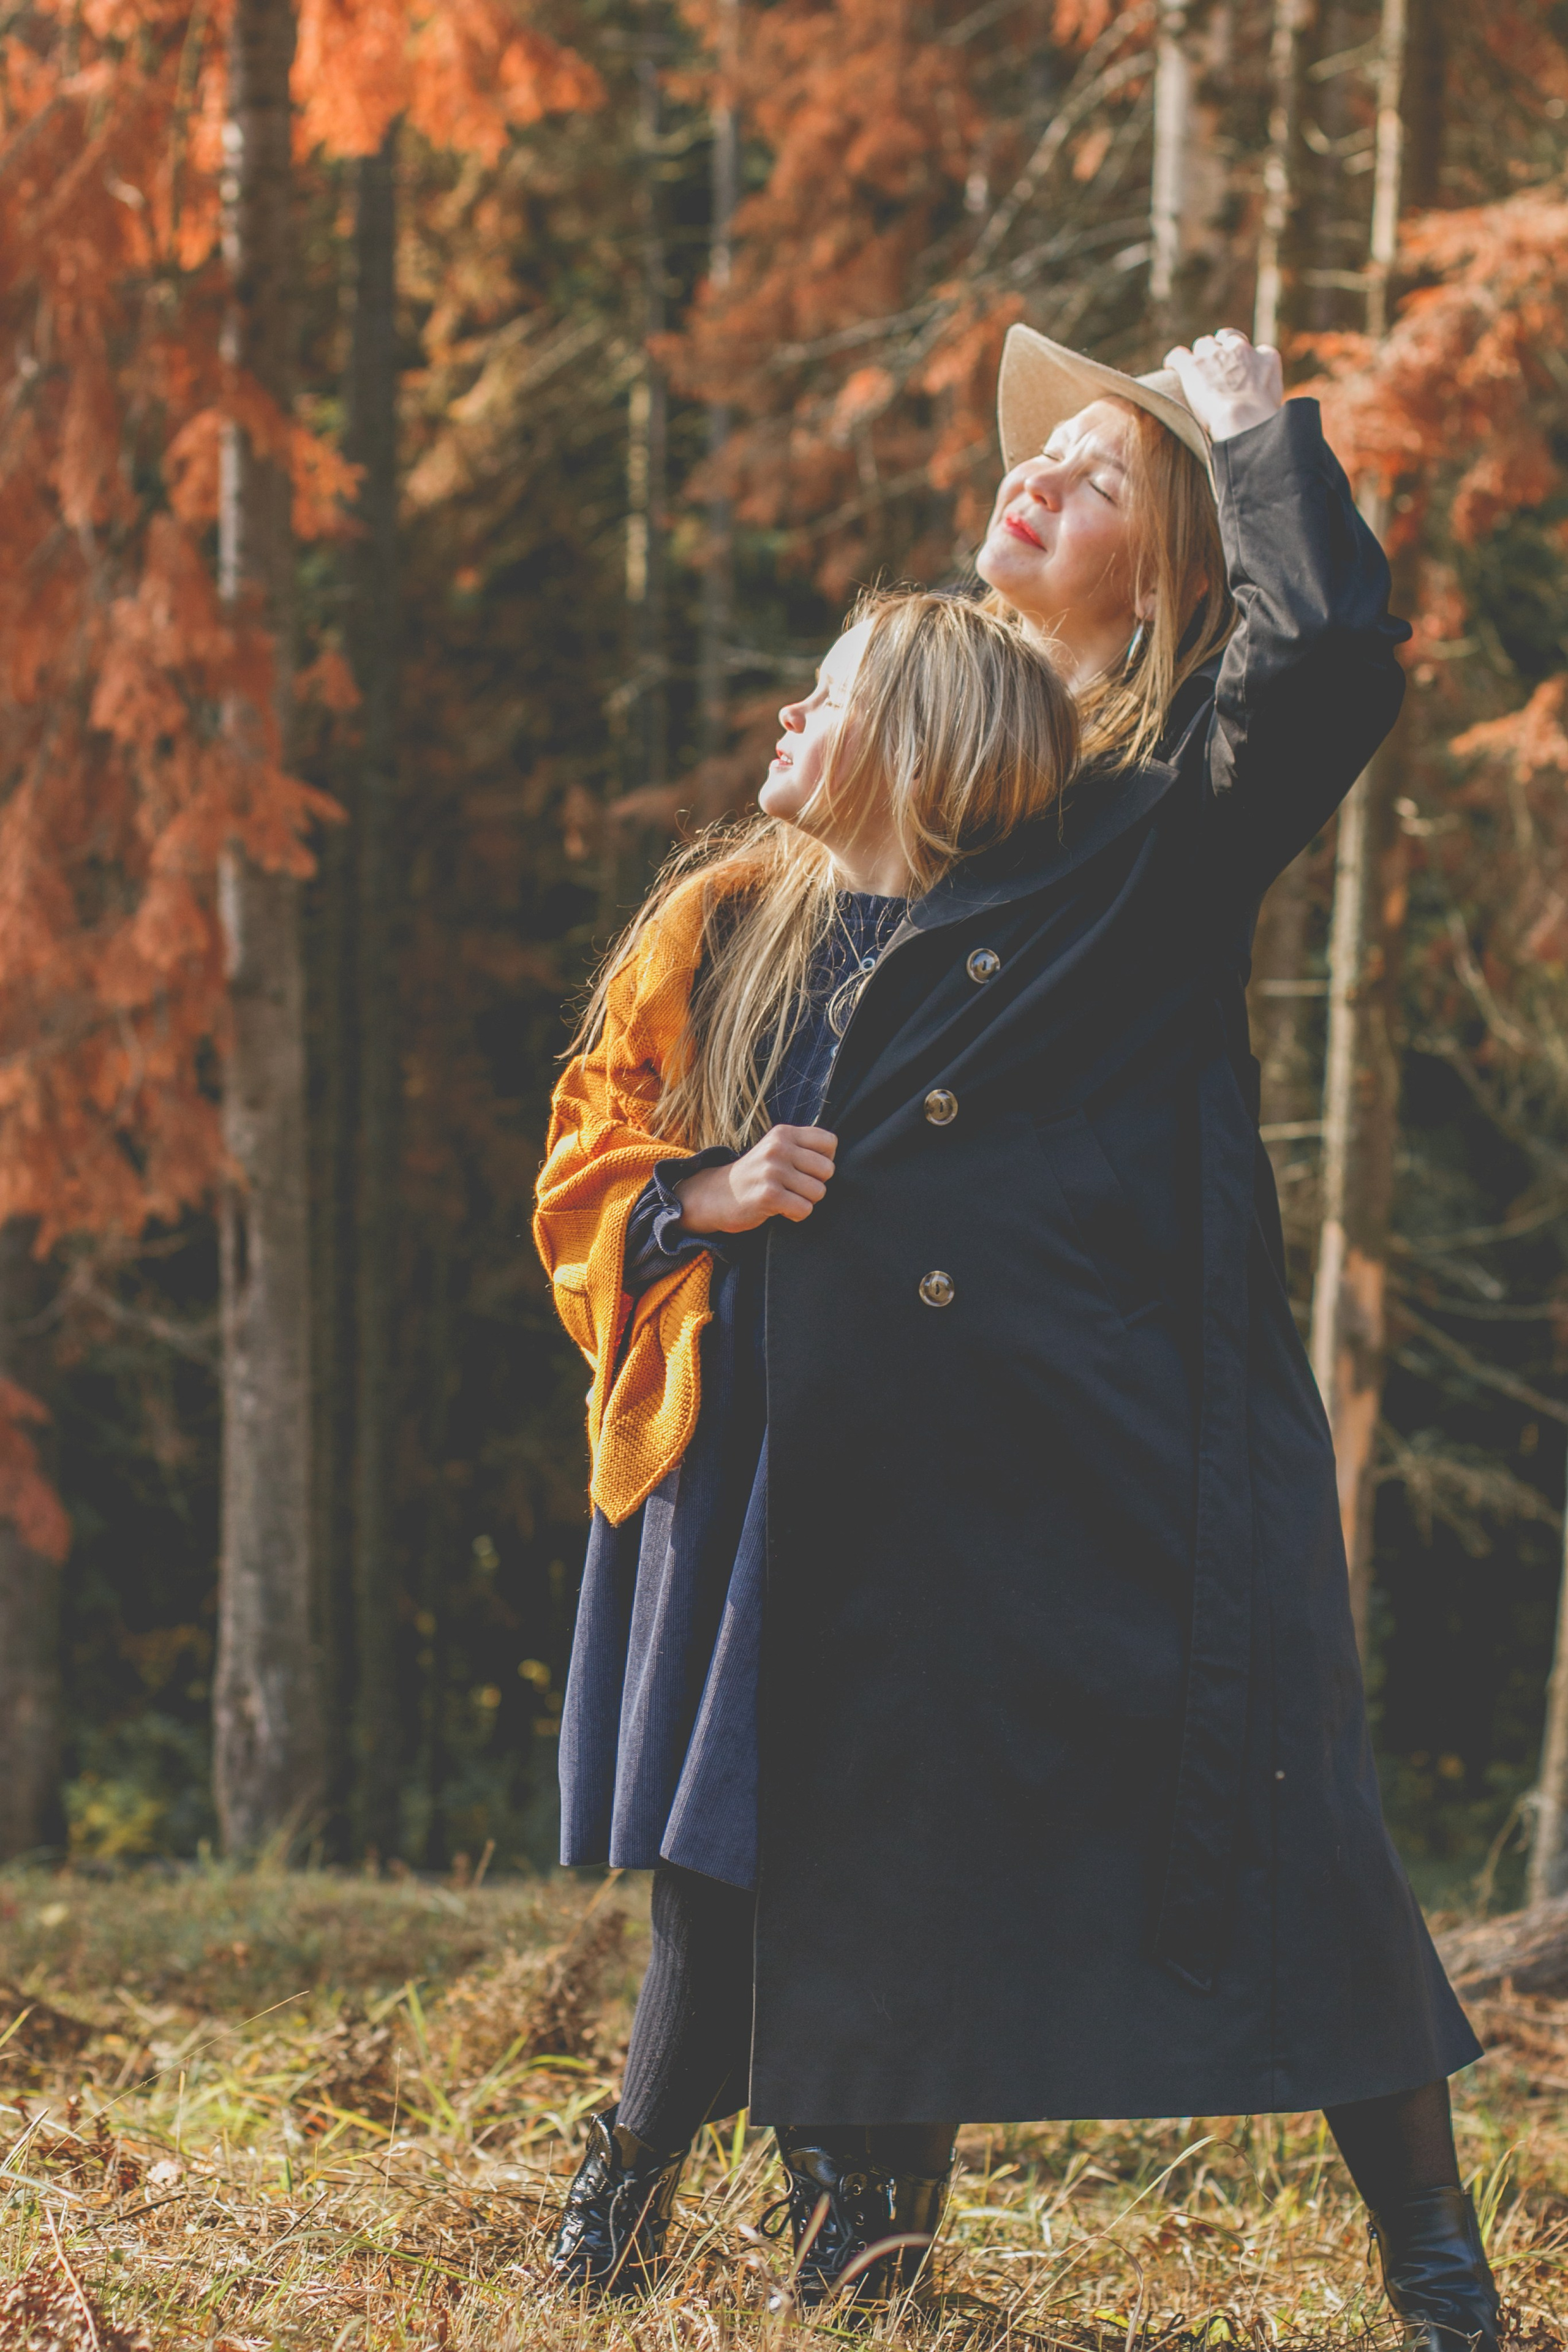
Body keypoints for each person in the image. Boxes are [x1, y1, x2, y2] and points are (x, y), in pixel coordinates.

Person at [532, 327, 1497, 2351]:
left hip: (1105, 1431)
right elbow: (640, 1126)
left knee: (1283, 1828)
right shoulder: (854, 808)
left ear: (1164, 575)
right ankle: (807, 2249)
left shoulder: (1152, 823)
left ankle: (1437, 2264)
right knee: (808, 1840)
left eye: (1102, 477)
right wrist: (690, 1200)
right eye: (1037, 457)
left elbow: (1321, 675)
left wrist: (1245, 433)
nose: (1041, 480)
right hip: (856, 1444)